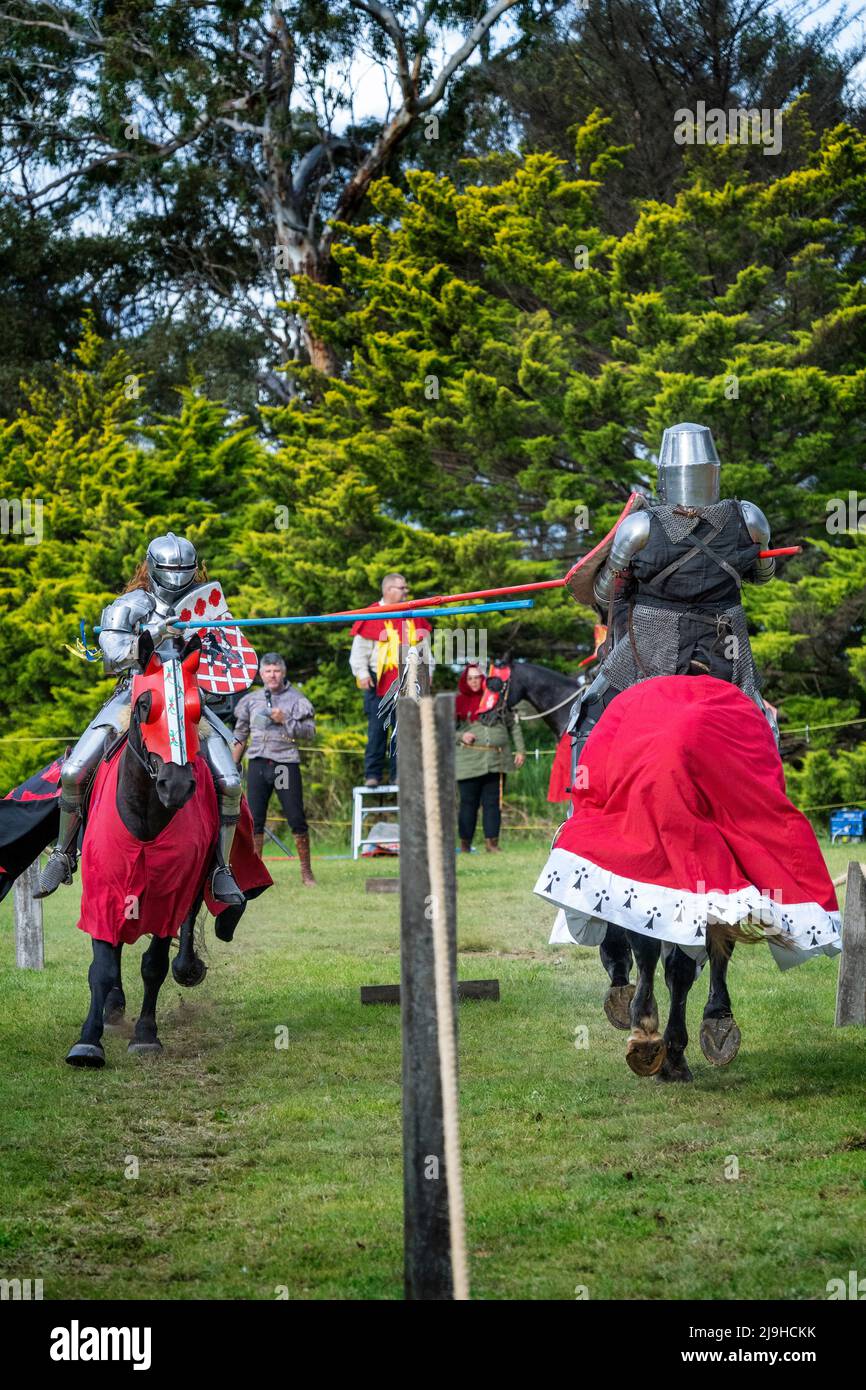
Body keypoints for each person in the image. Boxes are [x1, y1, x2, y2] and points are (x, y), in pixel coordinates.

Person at [37, 532, 245, 905]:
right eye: (170, 569)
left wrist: (204, 638)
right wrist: (149, 635)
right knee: (74, 772)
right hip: (136, 696)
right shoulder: (130, 604)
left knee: (230, 781)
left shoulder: (206, 606)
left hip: (186, 699)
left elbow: (226, 657)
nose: (178, 576)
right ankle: (64, 852)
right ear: (152, 567)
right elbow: (112, 658)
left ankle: (220, 868)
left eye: (184, 569)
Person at [567, 420, 777, 761]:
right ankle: (769, 795)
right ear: (712, 472)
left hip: (656, 644)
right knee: (762, 720)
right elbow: (764, 575)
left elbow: (607, 593)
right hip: (724, 644)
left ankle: (578, 810)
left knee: (589, 711)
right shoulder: (749, 518)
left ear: (665, 474)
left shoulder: (640, 526)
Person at [232, 654, 317, 886]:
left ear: (284, 672)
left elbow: (309, 732)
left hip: (284, 763)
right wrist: (231, 766)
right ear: (261, 674)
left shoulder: (297, 699)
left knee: (295, 817)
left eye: (276, 671)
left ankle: (306, 873)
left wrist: (286, 719)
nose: (272, 675)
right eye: (268, 671)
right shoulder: (251, 700)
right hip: (258, 763)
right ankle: (255, 874)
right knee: (254, 820)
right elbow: (240, 734)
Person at [349, 572, 434, 787]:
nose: (406, 592)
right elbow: (359, 651)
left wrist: (427, 674)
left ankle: (400, 774)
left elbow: (424, 650)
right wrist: (362, 674)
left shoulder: (413, 614)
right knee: (377, 730)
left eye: (406, 588)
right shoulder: (372, 614)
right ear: (388, 590)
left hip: (409, 677)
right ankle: (373, 774)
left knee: (404, 730)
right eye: (401, 588)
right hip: (378, 680)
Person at [455, 663, 525, 853]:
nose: (474, 681)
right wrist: (461, 736)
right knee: (468, 804)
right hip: (468, 762)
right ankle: (465, 844)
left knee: (493, 804)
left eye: (477, 677)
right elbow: (444, 727)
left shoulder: (497, 700)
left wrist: (520, 750)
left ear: (483, 679)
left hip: (496, 760)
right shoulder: (458, 702)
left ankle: (491, 844)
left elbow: (513, 725)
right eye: (470, 678)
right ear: (465, 680)